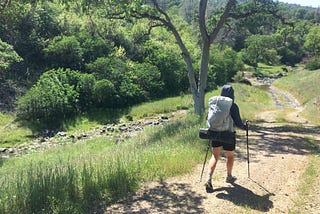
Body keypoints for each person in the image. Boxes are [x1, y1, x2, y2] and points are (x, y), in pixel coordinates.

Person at [205, 84, 249, 192]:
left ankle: (208, 177)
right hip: (228, 134)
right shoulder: (232, 106)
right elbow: (238, 123)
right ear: (232, 94)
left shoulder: (215, 103)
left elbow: (207, 118)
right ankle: (229, 176)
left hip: (214, 133)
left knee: (215, 156)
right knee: (230, 156)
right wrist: (246, 126)